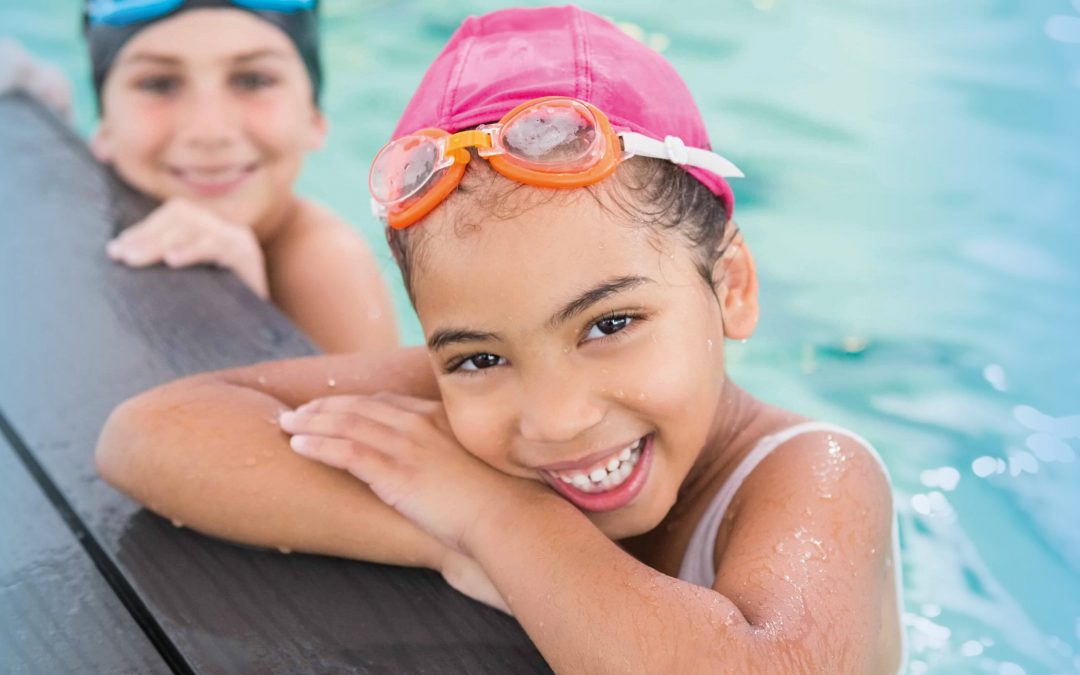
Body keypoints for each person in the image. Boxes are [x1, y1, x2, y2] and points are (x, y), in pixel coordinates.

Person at [96, 6, 905, 672]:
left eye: (610, 324)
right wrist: (462, 535)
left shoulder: (814, 475)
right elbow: (148, 435)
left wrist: (501, 519)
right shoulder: (474, 400)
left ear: (730, 286)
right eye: (477, 355)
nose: (554, 417)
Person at [4, 0, 398, 353]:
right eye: (159, 84)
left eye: (254, 80)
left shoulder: (328, 263)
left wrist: (242, 319)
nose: (210, 131)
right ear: (104, 127)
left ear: (314, 119)